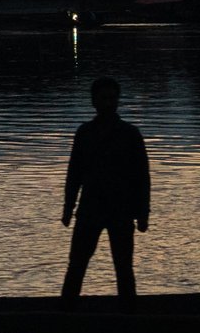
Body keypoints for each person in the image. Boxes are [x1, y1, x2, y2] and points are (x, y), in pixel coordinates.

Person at [61, 77, 150, 302]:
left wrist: (143, 214)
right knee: (77, 265)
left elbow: (142, 177)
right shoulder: (84, 133)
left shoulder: (130, 134)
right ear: (94, 102)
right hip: (89, 210)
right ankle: (65, 312)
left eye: (112, 98)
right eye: (104, 99)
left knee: (123, 267)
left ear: (118, 101)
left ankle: (129, 315)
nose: (108, 103)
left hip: (121, 211)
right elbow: (74, 174)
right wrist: (68, 208)